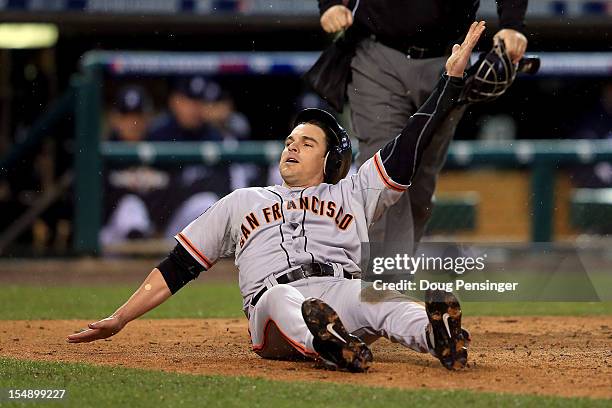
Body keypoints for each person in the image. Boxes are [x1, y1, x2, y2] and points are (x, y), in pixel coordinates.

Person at [67, 22, 486, 372]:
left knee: (380, 299)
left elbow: (408, 144)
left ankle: (437, 336)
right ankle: (327, 343)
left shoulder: (353, 191)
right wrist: (120, 318)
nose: (291, 146)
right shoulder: (241, 201)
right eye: (289, 140)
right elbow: (177, 268)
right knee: (283, 297)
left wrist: (448, 83)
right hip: (272, 305)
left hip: (340, 289)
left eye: (306, 143)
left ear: (330, 159)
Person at [311, 0, 528, 252]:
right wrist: (331, 4)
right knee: (383, 174)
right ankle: (381, 283)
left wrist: (513, 24)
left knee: (419, 188)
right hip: (378, 53)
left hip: (450, 59)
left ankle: (397, 274)